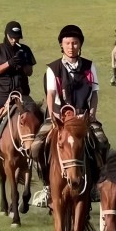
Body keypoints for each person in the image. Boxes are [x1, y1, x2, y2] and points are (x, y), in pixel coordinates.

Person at [30, 25, 105, 187]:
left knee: (103, 143)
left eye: (75, 43)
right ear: (61, 46)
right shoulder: (53, 68)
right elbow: (50, 94)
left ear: (80, 45)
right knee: (36, 148)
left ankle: (97, 184)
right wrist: (52, 114)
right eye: (68, 43)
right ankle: (47, 184)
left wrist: (92, 113)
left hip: (82, 118)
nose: (71, 47)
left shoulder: (89, 67)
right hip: (59, 118)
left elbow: (95, 93)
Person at [0, 20, 36, 166]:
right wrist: (9, 64)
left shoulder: (25, 50)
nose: (15, 40)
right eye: (12, 37)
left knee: (36, 114)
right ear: (6, 35)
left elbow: (30, 72)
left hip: (22, 93)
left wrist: (23, 63)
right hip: (2, 93)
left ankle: (39, 148)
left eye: (17, 37)